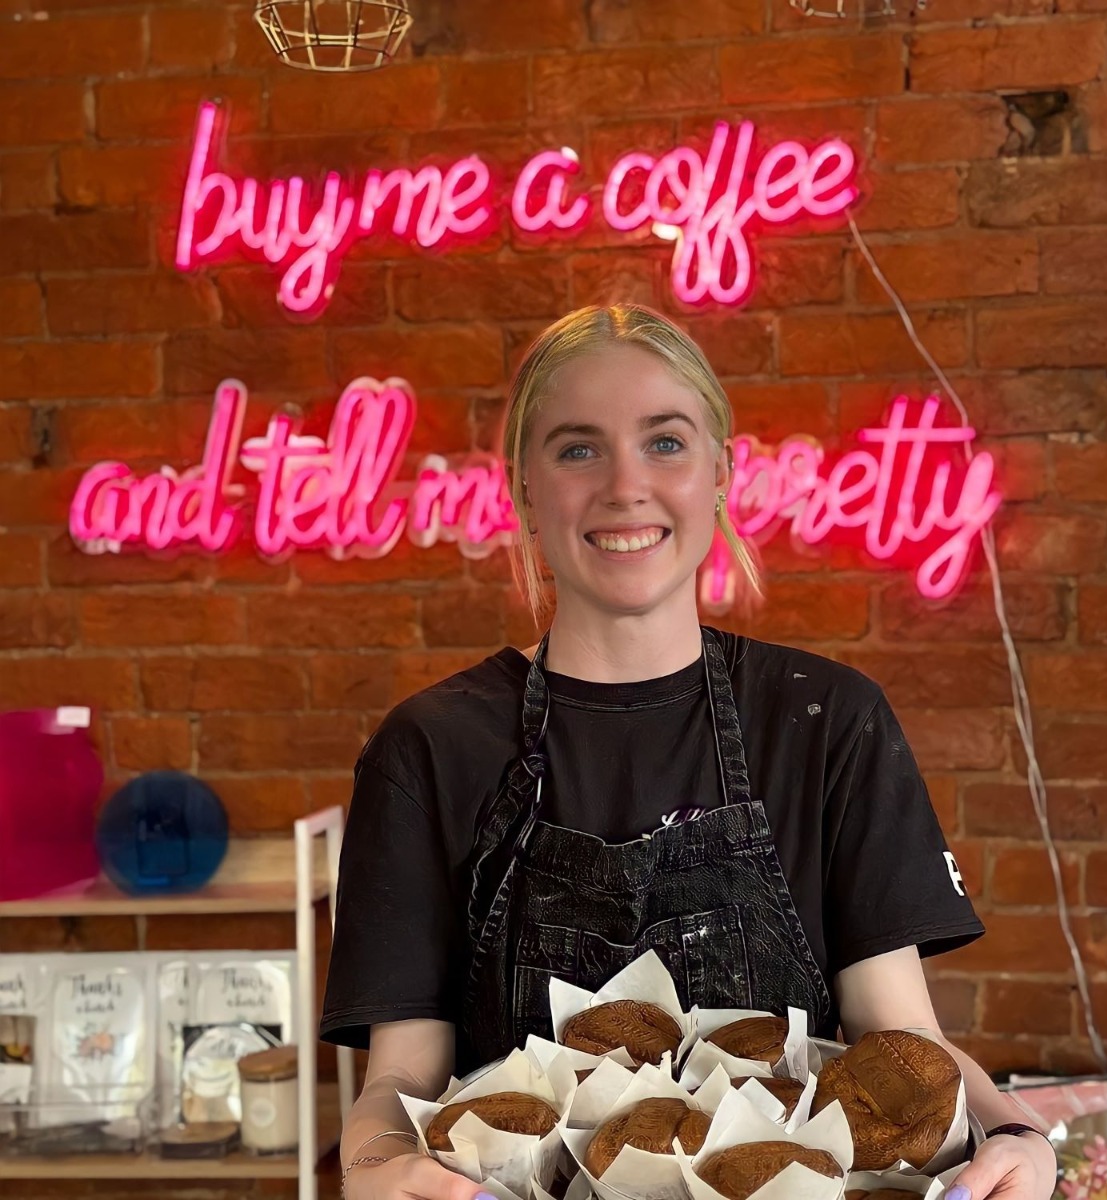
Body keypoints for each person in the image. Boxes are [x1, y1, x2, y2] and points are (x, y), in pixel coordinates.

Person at [320, 305, 1057, 1200]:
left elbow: (905, 1045)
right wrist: (374, 1168)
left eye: (664, 442)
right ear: (524, 489)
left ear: (720, 472)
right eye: (578, 449)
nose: (625, 486)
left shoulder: (828, 721)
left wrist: (1019, 1135)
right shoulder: (426, 750)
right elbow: (400, 1080)